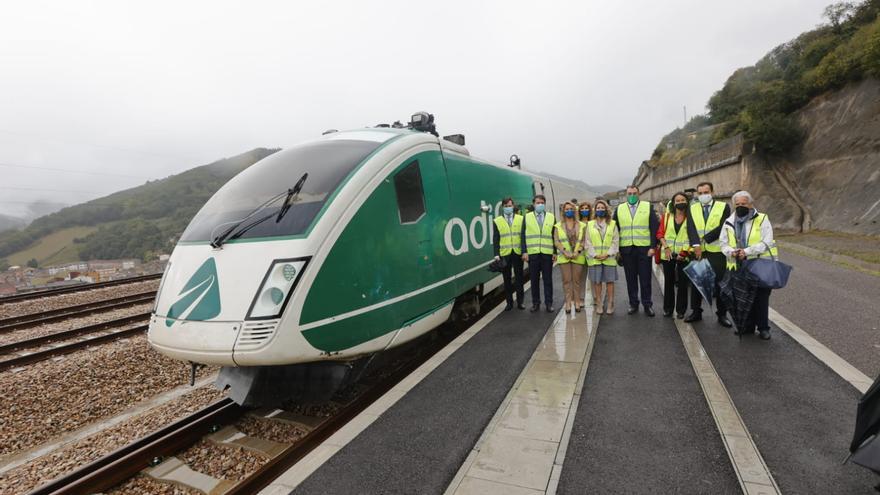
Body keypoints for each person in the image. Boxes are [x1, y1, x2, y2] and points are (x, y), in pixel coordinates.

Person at [720, 190, 777, 340]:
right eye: (737, 204)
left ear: (751, 204)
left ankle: (764, 328)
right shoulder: (729, 222)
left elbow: (767, 241)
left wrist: (747, 251)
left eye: (743, 204)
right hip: (738, 264)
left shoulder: (762, 219)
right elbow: (723, 243)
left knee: (761, 297)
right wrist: (731, 252)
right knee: (743, 297)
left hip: (760, 263)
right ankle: (747, 326)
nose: (740, 206)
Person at [687, 182, 733, 326]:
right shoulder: (692, 208)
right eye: (700, 193)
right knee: (697, 282)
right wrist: (696, 245)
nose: (703, 195)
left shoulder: (723, 206)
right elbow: (691, 228)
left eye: (706, 192)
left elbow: (722, 227)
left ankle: (722, 314)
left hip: (717, 251)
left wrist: (704, 239)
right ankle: (696, 312)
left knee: (720, 284)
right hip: (699, 251)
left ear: (712, 192)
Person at [614, 185, 659, 316]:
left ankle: (647, 304)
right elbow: (614, 229)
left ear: (639, 194)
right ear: (626, 195)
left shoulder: (647, 206)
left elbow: (654, 227)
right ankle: (633, 303)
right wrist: (616, 249)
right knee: (631, 279)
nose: (632, 196)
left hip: (644, 249)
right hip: (627, 250)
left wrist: (653, 247)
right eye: (629, 193)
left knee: (646, 279)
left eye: (634, 193)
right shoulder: (619, 209)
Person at [660, 192, 699, 318]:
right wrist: (666, 247)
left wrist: (684, 252)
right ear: (673, 203)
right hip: (668, 254)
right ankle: (668, 309)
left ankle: (681, 310)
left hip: (685, 254)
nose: (680, 202)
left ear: (687, 202)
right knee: (669, 283)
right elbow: (660, 234)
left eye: (683, 200)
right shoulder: (666, 216)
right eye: (677, 200)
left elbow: (691, 236)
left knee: (683, 283)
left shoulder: (691, 218)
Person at [522, 194, 556, 312]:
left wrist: (555, 252)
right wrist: (524, 251)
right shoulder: (527, 217)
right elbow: (522, 235)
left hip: (547, 253)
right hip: (533, 254)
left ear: (544, 204)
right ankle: (535, 303)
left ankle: (549, 303)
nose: (540, 205)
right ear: (533, 204)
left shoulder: (551, 217)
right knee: (534, 280)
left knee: (548, 280)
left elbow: (554, 235)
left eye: (542, 203)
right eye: (538, 203)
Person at [586, 199, 619, 314]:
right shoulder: (590, 224)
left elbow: (615, 241)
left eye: (602, 208)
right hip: (595, 259)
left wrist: (608, 253)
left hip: (609, 258)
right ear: (595, 210)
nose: (600, 210)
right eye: (598, 208)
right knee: (597, 282)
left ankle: (610, 303)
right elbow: (587, 242)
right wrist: (595, 255)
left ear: (606, 209)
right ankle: (599, 304)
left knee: (610, 282)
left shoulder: (612, 224)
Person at [493, 197, 525, 311]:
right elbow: (495, 238)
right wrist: (496, 254)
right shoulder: (497, 221)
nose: (508, 208)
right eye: (506, 206)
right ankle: (509, 303)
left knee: (519, 278)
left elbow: (523, 237)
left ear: (513, 206)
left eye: (510, 206)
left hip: (517, 253)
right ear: (503, 207)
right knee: (506, 280)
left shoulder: (521, 219)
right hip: (504, 254)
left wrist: (524, 251)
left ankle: (520, 302)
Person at [554, 201, 586, 313]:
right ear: (563, 211)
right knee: (567, 281)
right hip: (564, 257)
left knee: (577, 281)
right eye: (566, 209)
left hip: (578, 256)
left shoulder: (582, 225)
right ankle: (568, 302)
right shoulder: (558, 226)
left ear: (574, 210)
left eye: (570, 209)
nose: (569, 211)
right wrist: (564, 251)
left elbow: (583, 240)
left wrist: (578, 251)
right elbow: (556, 241)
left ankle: (577, 302)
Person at [577, 201, 592, 307]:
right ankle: (581, 298)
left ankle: (596, 298)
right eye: (582, 208)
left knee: (595, 277)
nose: (584, 210)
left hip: (592, 253)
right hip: (581, 253)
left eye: (586, 208)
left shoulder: (594, 222)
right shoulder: (576, 223)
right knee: (582, 277)